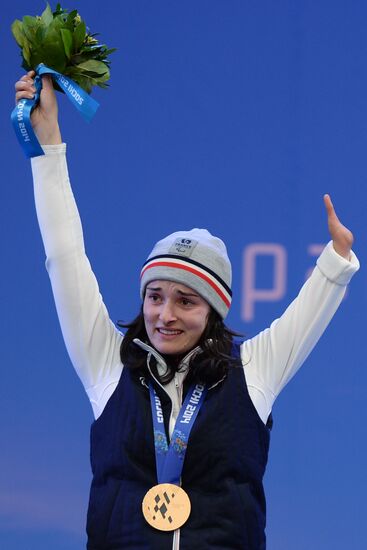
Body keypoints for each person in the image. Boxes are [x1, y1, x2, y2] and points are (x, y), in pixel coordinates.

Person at [15, 71, 359, 550]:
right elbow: (64, 257)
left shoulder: (253, 370)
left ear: (214, 309)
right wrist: (48, 146)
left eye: (186, 301)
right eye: (155, 296)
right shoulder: (106, 363)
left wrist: (335, 264)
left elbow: (306, 316)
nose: (165, 315)